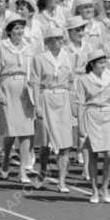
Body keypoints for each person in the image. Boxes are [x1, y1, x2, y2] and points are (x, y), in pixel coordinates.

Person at [30, 27, 75, 192]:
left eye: (60, 39)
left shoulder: (68, 57)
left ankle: (61, 180)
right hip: (46, 97)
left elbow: (71, 81)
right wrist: (37, 105)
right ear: (47, 42)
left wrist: (73, 104)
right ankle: (42, 172)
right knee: (45, 143)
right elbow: (35, 83)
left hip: (63, 99)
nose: (58, 42)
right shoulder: (39, 59)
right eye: (53, 39)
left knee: (65, 143)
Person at [0, 16, 36, 184]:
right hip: (8, 88)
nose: (19, 31)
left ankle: (22, 171)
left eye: (21, 28)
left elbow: (33, 69)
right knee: (11, 131)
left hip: (25, 91)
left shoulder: (28, 47)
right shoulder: (1, 46)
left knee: (26, 132)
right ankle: (6, 158)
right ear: (9, 31)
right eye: (15, 28)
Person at [76, 50, 110, 203]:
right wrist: (81, 126)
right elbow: (80, 103)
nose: (103, 65)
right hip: (91, 115)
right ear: (92, 64)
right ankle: (94, 189)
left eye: (104, 62)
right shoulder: (83, 80)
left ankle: (105, 187)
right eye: (100, 63)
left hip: (107, 115)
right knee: (93, 155)